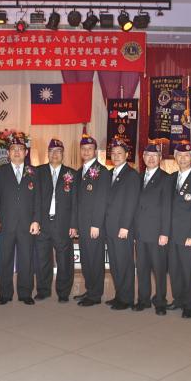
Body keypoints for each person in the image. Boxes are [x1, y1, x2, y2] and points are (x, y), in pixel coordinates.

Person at [0, 135, 40, 305]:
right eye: (13, 149)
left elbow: (38, 199)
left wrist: (36, 220)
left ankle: (25, 293)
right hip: (6, 224)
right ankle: (5, 293)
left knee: (26, 260)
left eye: (20, 149)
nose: (17, 152)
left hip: (27, 224)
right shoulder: (0, 172)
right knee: (4, 259)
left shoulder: (34, 172)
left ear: (26, 152)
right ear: (8, 153)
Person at [34, 139, 77, 303]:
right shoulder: (37, 172)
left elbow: (75, 202)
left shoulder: (71, 174)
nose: (55, 154)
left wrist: (74, 224)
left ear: (63, 154)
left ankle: (63, 292)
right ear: (48, 153)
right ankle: (43, 290)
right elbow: (33, 199)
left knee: (64, 260)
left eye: (58, 151)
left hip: (63, 224)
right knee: (42, 259)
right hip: (43, 223)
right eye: (52, 151)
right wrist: (35, 221)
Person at [167, 142, 191, 318]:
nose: (182, 158)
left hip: (187, 235)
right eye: (179, 155)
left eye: (186, 155)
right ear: (175, 157)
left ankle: (190, 304)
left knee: (188, 271)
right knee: (174, 269)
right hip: (171, 233)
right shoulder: (170, 178)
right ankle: (178, 299)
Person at [134, 143, 172, 315]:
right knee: (142, 268)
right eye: (148, 155)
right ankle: (143, 300)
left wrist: (164, 233)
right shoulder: (138, 177)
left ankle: (160, 302)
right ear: (143, 158)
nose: (151, 158)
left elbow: (167, 207)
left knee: (159, 270)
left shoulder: (166, 178)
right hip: (140, 232)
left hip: (157, 233)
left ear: (160, 158)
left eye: (154, 156)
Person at [74, 132, 111, 307]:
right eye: (84, 148)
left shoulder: (102, 172)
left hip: (94, 226)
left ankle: (96, 294)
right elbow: (77, 201)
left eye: (90, 148)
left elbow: (102, 200)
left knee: (95, 259)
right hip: (82, 225)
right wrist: (75, 224)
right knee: (86, 259)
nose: (87, 151)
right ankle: (90, 289)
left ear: (95, 151)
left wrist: (96, 224)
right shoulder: (79, 172)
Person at [104, 137, 140, 311]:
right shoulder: (110, 173)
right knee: (115, 263)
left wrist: (125, 226)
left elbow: (131, 203)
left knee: (124, 263)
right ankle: (119, 294)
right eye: (113, 153)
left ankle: (126, 299)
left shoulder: (131, 175)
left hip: (122, 228)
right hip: (110, 227)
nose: (116, 156)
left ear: (127, 155)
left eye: (120, 153)